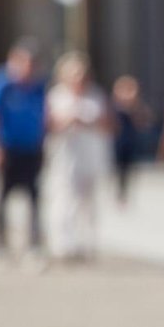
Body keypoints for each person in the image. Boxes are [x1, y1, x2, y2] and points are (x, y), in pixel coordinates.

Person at [0, 41, 49, 257]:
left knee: (34, 198)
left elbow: (45, 116)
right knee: (2, 198)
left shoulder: (39, 86)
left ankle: (34, 244)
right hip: (6, 148)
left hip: (31, 148)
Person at [44, 51, 110, 262]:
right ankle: (63, 244)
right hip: (65, 155)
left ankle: (88, 243)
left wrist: (89, 122)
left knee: (88, 201)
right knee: (64, 198)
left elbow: (108, 124)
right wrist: (68, 121)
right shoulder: (56, 96)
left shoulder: (95, 95)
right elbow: (48, 125)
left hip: (90, 153)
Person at [110, 76, 149, 203]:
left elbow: (143, 122)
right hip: (117, 143)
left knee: (127, 169)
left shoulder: (135, 107)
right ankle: (117, 192)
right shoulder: (114, 107)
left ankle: (124, 193)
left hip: (129, 144)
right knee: (117, 168)